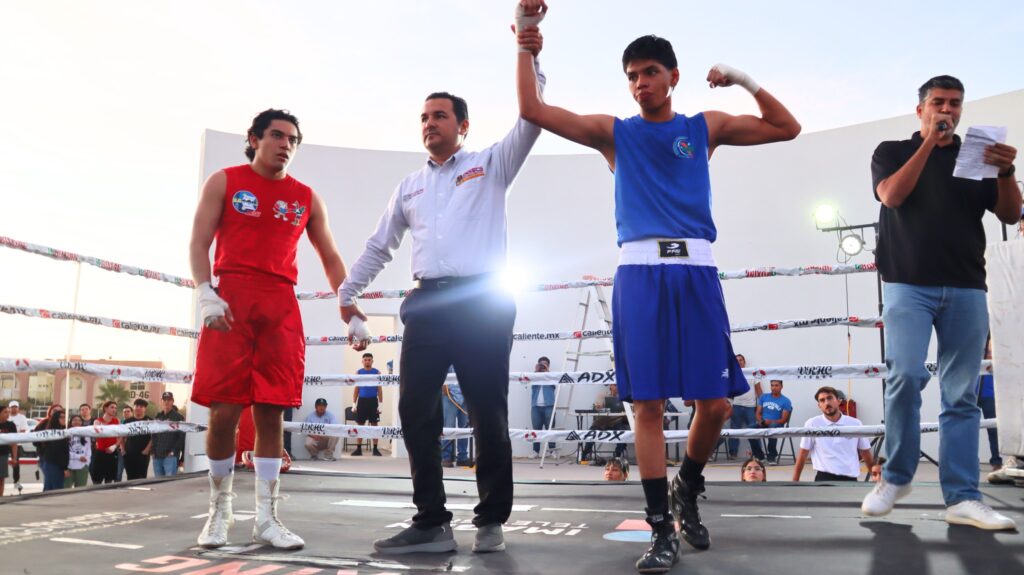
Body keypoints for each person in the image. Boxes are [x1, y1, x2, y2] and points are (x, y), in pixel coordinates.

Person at [514, 4, 800, 571]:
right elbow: (533, 109)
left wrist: (741, 79)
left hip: (696, 272)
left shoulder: (705, 127)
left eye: (649, 72)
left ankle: (686, 488)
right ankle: (660, 529)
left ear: (673, 75)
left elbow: (787, 128)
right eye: (632, 76)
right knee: (645, 404)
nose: (640, 84)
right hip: (640, 273)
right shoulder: (613, 134)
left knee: (715, 405)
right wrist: (526, 42)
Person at [337, 13, 546, 555]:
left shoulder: (491, 164)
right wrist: (346, 294)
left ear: (463, 125)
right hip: (427, 303)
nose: (430, 123)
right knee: (414, 411)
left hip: (483, 300)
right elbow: (380, 245)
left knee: (487, 411)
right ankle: (431, 521)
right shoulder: (409, 185)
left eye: (440, 115)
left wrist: (529, 50)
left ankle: (491, 521)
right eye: (424, 117)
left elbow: (532, 116)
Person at [861, 75, 1021, 531]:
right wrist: (930, 143)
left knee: (961, 396)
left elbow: (1011, 213)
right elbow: (891, 195)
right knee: (905, 376)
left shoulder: (978, 157)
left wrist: (1006, 171)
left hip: (968, 285)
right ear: (920, 110)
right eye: (938, 103)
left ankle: (963, 497)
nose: (946, 110)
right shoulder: (891, 150)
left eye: (954, 103)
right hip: (908, 284)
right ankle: (895, 478)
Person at [189, 108, 349, 550]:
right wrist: (205, 291)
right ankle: (218, 513)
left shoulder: (306, 197)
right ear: (255, 138)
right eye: (277, 136)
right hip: (232, 299)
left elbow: (330, 256)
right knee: (222, 410)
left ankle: (266, 517)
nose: (285, 145)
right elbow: (199, 240)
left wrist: (347, 304)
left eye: (293, 139)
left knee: (272, 410)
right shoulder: (224, 181)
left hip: (280, 302)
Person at [792, 387, 874, 482]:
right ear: (819, 405)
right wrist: (795, 482)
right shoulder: (812, 424)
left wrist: (876, 480)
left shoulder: (856, 424)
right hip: (823, 479)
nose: (826, 403)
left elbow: (866, 454)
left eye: (830, 398)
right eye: (822, 400)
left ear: (838, 401)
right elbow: (803, 454)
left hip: (850, 479)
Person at [580, 383, 629, 465]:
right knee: (592, 433)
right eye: (615, 385)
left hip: (615, 422)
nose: (617, 387)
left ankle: (617, 456)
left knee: (622, 432)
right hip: (601, 422)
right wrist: (599, 407)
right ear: (610, 386)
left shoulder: (624, 397)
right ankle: (585, 454)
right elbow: (597, 407)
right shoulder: (602, 395)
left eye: (618, 385)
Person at [727, 354, 764, 461]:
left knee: (754, 432)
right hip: (736, 406)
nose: (739, 362)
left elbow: (759, 391)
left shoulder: (753, 373)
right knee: (734, 431)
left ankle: (757, 455)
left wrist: (761, 407)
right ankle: (733, 453)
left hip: (751, 407)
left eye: (741, 360)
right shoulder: (732, 374)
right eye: (737, 360)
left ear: (744, 362)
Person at [976, 338, 1001, 472]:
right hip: (971, 390)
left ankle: (996, 461)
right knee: (968, 427)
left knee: (993, 429)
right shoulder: (973, 337)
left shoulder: (996, 340)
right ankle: (971, 460)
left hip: (989, 392)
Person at [352, 353, 383, 457]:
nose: (367, 361)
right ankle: (358, 449)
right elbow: (356, 389)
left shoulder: (377, 372)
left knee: (374, 425)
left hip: (373, 401)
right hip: (362, 401)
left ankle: (375, 449)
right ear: (362, 361)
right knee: (360, 425)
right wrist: (353, 404)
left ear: (372, 361)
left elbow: (379, 389)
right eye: (365, 360)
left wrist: (381, 404)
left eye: (369, 360)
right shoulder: (359, 373)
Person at [756, 380, 792, 463]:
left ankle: (772, 455)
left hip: (777, 424)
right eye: (772, 385)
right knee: (749, 429)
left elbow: (783, 420)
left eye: (776, 385)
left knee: (772, 428)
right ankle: (759, 455)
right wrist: (761, 421)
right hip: (763, 423)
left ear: (781, 387)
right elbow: (757, 413)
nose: (774, 388)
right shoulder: (764, 397)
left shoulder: (786, 401)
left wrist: (771, 422)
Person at [152, 391, 186, 476]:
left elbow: (181, 437)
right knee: (158, 483)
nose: (166, 402)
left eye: (169, 400)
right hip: (157, 455)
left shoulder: (178, 417)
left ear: (172, 401)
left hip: (170, 456)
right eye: (164, 399)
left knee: (169, 484)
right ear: (161, 401)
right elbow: (154, 434)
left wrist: (173, 451)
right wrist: (154, 450)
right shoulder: (158, 416)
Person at [529, 356, 557, 458]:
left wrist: (547, 372)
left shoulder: (552, 375)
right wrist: (536, 372)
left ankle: (552, 451)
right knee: (536, 430)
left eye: (544, 364)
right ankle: (536, 451)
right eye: (541, 364)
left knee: (550, 429)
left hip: (549, 405)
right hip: (536, 406)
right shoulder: (534, 376)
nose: (542, 366)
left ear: (548, 365)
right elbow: (531, 382)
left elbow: (554, 385)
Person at [33, 409, 68, 492]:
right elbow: (58, 452)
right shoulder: (55, 433)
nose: (64, 419)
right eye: (61, 417)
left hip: (51, 464)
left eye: (65, 417)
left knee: (49, 489)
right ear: (56, 418)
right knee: (57, 490)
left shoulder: (61, 431)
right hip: (54, 464)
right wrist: (65, 468)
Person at [441, 381, 471, 468]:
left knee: (465, 428)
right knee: (449, 426)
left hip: (465, 395)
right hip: (449, 394)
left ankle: (462, 457)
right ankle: (446, 457)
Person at [122, 398, 153, 480]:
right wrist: (122, 449)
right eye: (136, 406)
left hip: (143, 454)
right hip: (129, 453)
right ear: (134, 407)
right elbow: (121, 436)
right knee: (130, 477)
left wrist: (147, 450)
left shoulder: (150, 421)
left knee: (141, 478)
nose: (138, 408)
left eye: (141, 406)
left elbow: (153, 437)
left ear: (145, 409)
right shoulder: (127, 421)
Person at [91, 401, 120, 484]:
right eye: (112, 407)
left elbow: (121, 436)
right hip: (100, 453)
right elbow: (96, 434)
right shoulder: (97, 421)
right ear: (105, 408)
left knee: (109, 479)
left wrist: (114, 446)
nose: (114, 409)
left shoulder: (116, 421)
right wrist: (101, 427)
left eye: (115, 408)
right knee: (97, 480)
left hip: (112, 453)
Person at [65, 414, 91, 488]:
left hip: (82, 466)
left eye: (79, 420)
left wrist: (87, 463)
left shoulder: (85, 434)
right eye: (75, 420)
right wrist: (78, 457)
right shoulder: (67, 433)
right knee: (65, 489)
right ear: (71, 422)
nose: (77, 422)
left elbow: (88, 450)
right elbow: (65, 451)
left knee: (80, 490)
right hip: (69, 466)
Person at [7, 400, 27, 493]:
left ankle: (16, 481)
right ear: (9, 408)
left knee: (16, 463)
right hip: (4, 443)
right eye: (12, 407)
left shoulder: (22, 417)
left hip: (17, 444)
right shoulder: (5, 416)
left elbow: (23, 430)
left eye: (15, 407)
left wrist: (14, 437)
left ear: (18, 408)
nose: (14, 408)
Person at [0, 404, 17, 496]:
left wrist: (14, 458)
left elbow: (14, 443)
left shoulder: (11, 425)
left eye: (8, 412)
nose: (7, 414)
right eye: (5, 412)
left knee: (1, 479)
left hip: (3, 455)